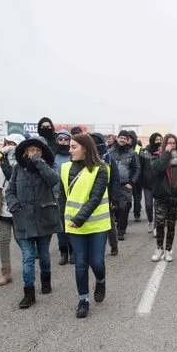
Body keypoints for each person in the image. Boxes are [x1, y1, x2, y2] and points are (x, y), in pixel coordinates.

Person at [5, 136, 61, 309]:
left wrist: (39, 163)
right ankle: (28, 293)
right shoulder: (17, 169)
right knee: (28, 257)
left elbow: (54, 180)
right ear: (24, 153)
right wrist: (14, 206)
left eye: (37, 151)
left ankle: (46, 281)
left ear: (43, 153)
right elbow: (10, 191)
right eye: (30, 150)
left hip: (44, 217)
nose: (33, 153)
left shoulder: (48, 167)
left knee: (44, 254)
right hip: (23, 219)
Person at [61, 133, 111, 318]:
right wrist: (63, 220)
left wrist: (79, 218)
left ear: (85, 148)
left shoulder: (102, 169)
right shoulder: (65, 168)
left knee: (96, 261)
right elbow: (62, 197)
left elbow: (95, 197)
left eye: (73, 147)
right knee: (80, 263)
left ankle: (100, 280)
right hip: (74, 226)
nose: (70, 150)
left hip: (97, 224)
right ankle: (83, 300)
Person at [0, 134, 25, 286]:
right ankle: (6, 273)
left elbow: (14, 177)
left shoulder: (23, 162)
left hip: (18, 206)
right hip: (3, 206)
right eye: (6, 142)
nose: (7, 145)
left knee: (21, 239)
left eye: (11, 143)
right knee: (4, 240)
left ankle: (29, 264)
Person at [150, 134, 177, 262]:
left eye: (174, 143)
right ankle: (159, 248)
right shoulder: (157, 156)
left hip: (174, 196)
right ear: (165, 144)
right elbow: (159, 168)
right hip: (161, 195)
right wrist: (166, 153)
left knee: (171, 225)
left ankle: (168, 249)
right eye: (169, 142)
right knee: (160, 223)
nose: (171, 145)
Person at [90, 133, 121, 256]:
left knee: (109, 224)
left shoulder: (108, 159)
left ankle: (114, 245)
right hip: (90, 197)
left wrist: (114, 198)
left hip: (106, 197)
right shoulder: (85, 159)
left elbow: (115, 179)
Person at [108, 130, 139, 240]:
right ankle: (116, 225)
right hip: (112, 185)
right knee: (114, 208)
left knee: (124, 208)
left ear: (127, 140)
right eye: (121, 137)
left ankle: (121, 230)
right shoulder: (110, 152)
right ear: (117, 138)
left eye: (125, 138)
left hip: (125, 185)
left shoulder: (132, 153)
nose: (122, 140)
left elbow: (137, 169)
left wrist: (131, 182)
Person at [52, 130, 73, 265]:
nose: (64, 142)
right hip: (56, 194)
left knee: (72, 224)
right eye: (61, 139)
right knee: (60, 226)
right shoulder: (52, 156)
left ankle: (73, 252)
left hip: (72, 194)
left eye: (66, 139)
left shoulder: (74, 155)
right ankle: (63, 252)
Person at [140, 133, 162, 233]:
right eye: (156, 140)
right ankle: (150, 221)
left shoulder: (163, 152)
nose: (158, 141)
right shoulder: (144, 152)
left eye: (160, 139)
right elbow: (139, 167)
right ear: (152, 140)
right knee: (148, 205)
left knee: (157, 206)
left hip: (159, 183)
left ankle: (156, 226)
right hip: (147, 183)